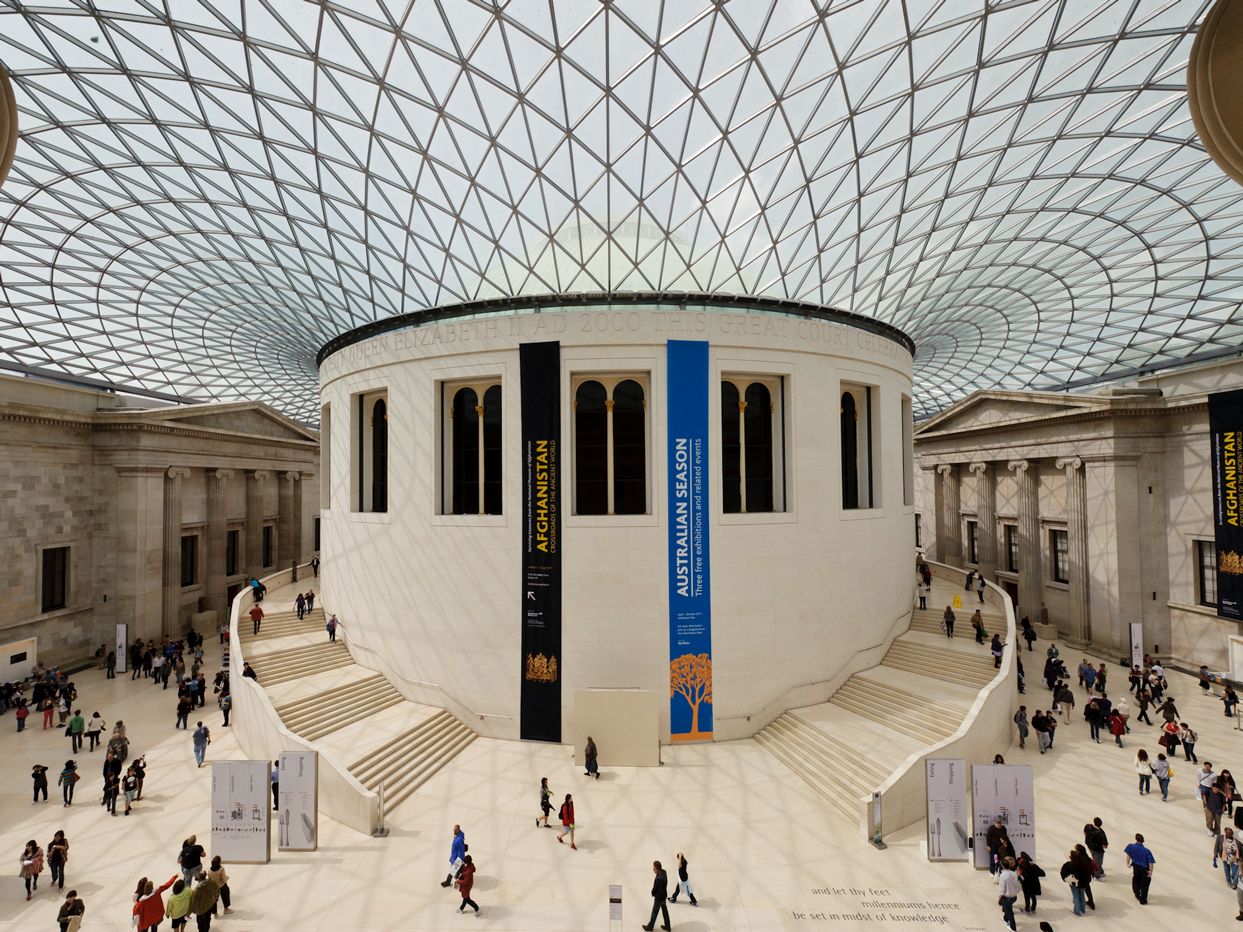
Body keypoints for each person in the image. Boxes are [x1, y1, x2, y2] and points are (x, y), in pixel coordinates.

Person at [1123, 833, 1155, 904]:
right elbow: (1150, 863)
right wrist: (1150, 872)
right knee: (1145, 884)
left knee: (1136, 879)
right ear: (1143, 841)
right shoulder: (1147, 851)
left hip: (1135, 867)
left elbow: (1128, 855)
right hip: (1144, 869)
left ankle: (1137, 893)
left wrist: (1128, 863)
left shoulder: (1130, 846)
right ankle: (1143, 900)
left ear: (1136, 839)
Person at [642, 860, 670, 932]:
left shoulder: (659, 879)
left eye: (654, 869)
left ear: (658, 869)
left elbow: (657, 890)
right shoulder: (664, 872)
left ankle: (650, 927)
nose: (653, 869)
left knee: (654, 913)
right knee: (664, 911)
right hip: (664, 896)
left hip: (659, 898)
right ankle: (667, 926)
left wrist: (653, 893)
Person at [996, 856, 1020, 931]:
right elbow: (1017, 884)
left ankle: (1013, 928)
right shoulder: (1013, 874)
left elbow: (1002, 888)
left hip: (1007, 897)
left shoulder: (1003, 876)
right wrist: (1017, 891)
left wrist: (1000, 895)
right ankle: (1005, 919)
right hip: (1014, 896)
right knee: (1008, 909)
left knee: (1010, 913)